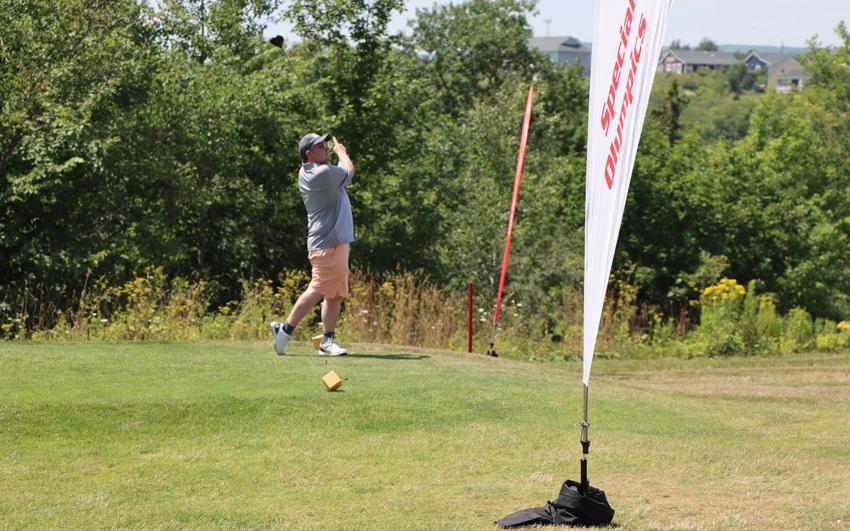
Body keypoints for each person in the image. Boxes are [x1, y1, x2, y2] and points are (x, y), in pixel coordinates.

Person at [270, 133, 355, 356]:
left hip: (335, 242)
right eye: (321, 146)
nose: (327, 148)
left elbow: (340, 175)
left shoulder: (309, 171)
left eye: (327, 145)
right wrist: (341, 152)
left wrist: (335, 156)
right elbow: (349, 171)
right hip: (328, 243)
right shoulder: (323, 173)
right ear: (309, 154)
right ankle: (284, 330)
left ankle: (328, 340)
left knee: (334, 294)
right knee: (318, 289)